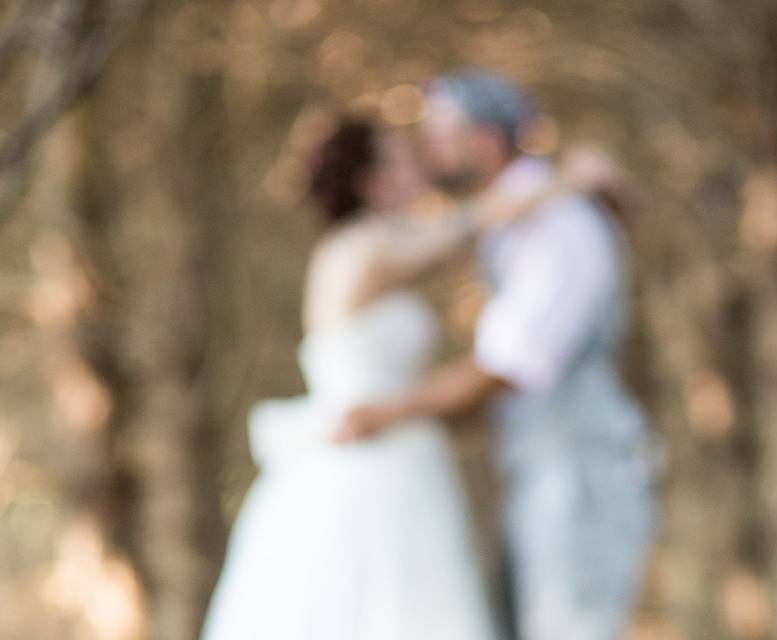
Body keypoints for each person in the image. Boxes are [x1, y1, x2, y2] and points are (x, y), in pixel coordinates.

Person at [202, 116, 603, 640]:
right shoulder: (362, 250)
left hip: (400, 450)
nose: (419, 164)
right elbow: (473, 225)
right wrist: (566, 179)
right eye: (400, 157)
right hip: (365, 456)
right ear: (373, 180)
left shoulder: (378, 241)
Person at [338, 71, 658, 640]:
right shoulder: (520, 216)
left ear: (484, 140)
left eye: (439, 136)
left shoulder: (555, 223)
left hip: (578, 475)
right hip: (543, 471)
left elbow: (510, 368)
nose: (427, 152)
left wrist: (389, 414)